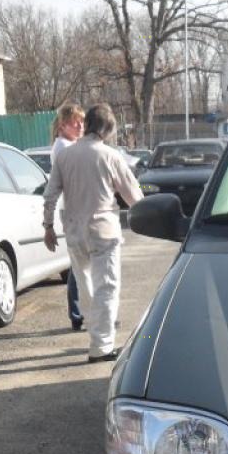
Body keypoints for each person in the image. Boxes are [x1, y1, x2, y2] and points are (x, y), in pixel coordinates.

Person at [42, 104, 143, 362]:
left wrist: (48, 227)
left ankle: (94, 331)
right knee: (106, 287)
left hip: (74, 230)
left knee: (85, 284)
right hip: (104, 230)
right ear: (107, 130)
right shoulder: (110, 156)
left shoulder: (64, 156)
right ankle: (102, 346)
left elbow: (50, 194)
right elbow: (134, 197)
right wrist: (146, 216)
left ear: (87, 125)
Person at [49, 103, 86, 330]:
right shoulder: (63, 147)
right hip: (74, 210)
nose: (80, 126)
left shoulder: (69, 144)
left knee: (80, 262)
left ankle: (80, 312)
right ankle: (77, 313)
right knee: (79, 262)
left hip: (76, 209)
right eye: (75, 122)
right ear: (63, 125)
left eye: (82, 121)